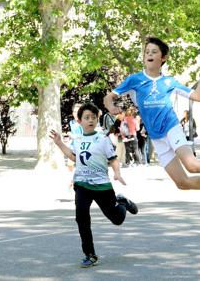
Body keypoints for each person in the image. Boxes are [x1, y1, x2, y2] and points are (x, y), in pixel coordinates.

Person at [104, 36, 200, 208]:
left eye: (154, 52)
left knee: (192, 165)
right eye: (147, 52)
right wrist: (111, 107)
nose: (149, 54)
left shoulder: (169, 82)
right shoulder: (134, 80)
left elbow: (198, 97)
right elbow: (108, 98)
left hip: (171, 128)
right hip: (157, 137)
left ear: (162, 58)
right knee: (182, 182)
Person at [49, 103, 138, 268]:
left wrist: (117, 174)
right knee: (81, 217)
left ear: (97, 119)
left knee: (117, 219)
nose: (90, 120)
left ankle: (123, 203)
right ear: (80, 121)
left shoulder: (102, 139)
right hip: (82, 185)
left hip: (102, 186)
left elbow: (113, 159)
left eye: (93, 117)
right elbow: (74, 157)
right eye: (86, 117)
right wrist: (59, 143)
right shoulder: (78, 140)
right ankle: (90, 254)